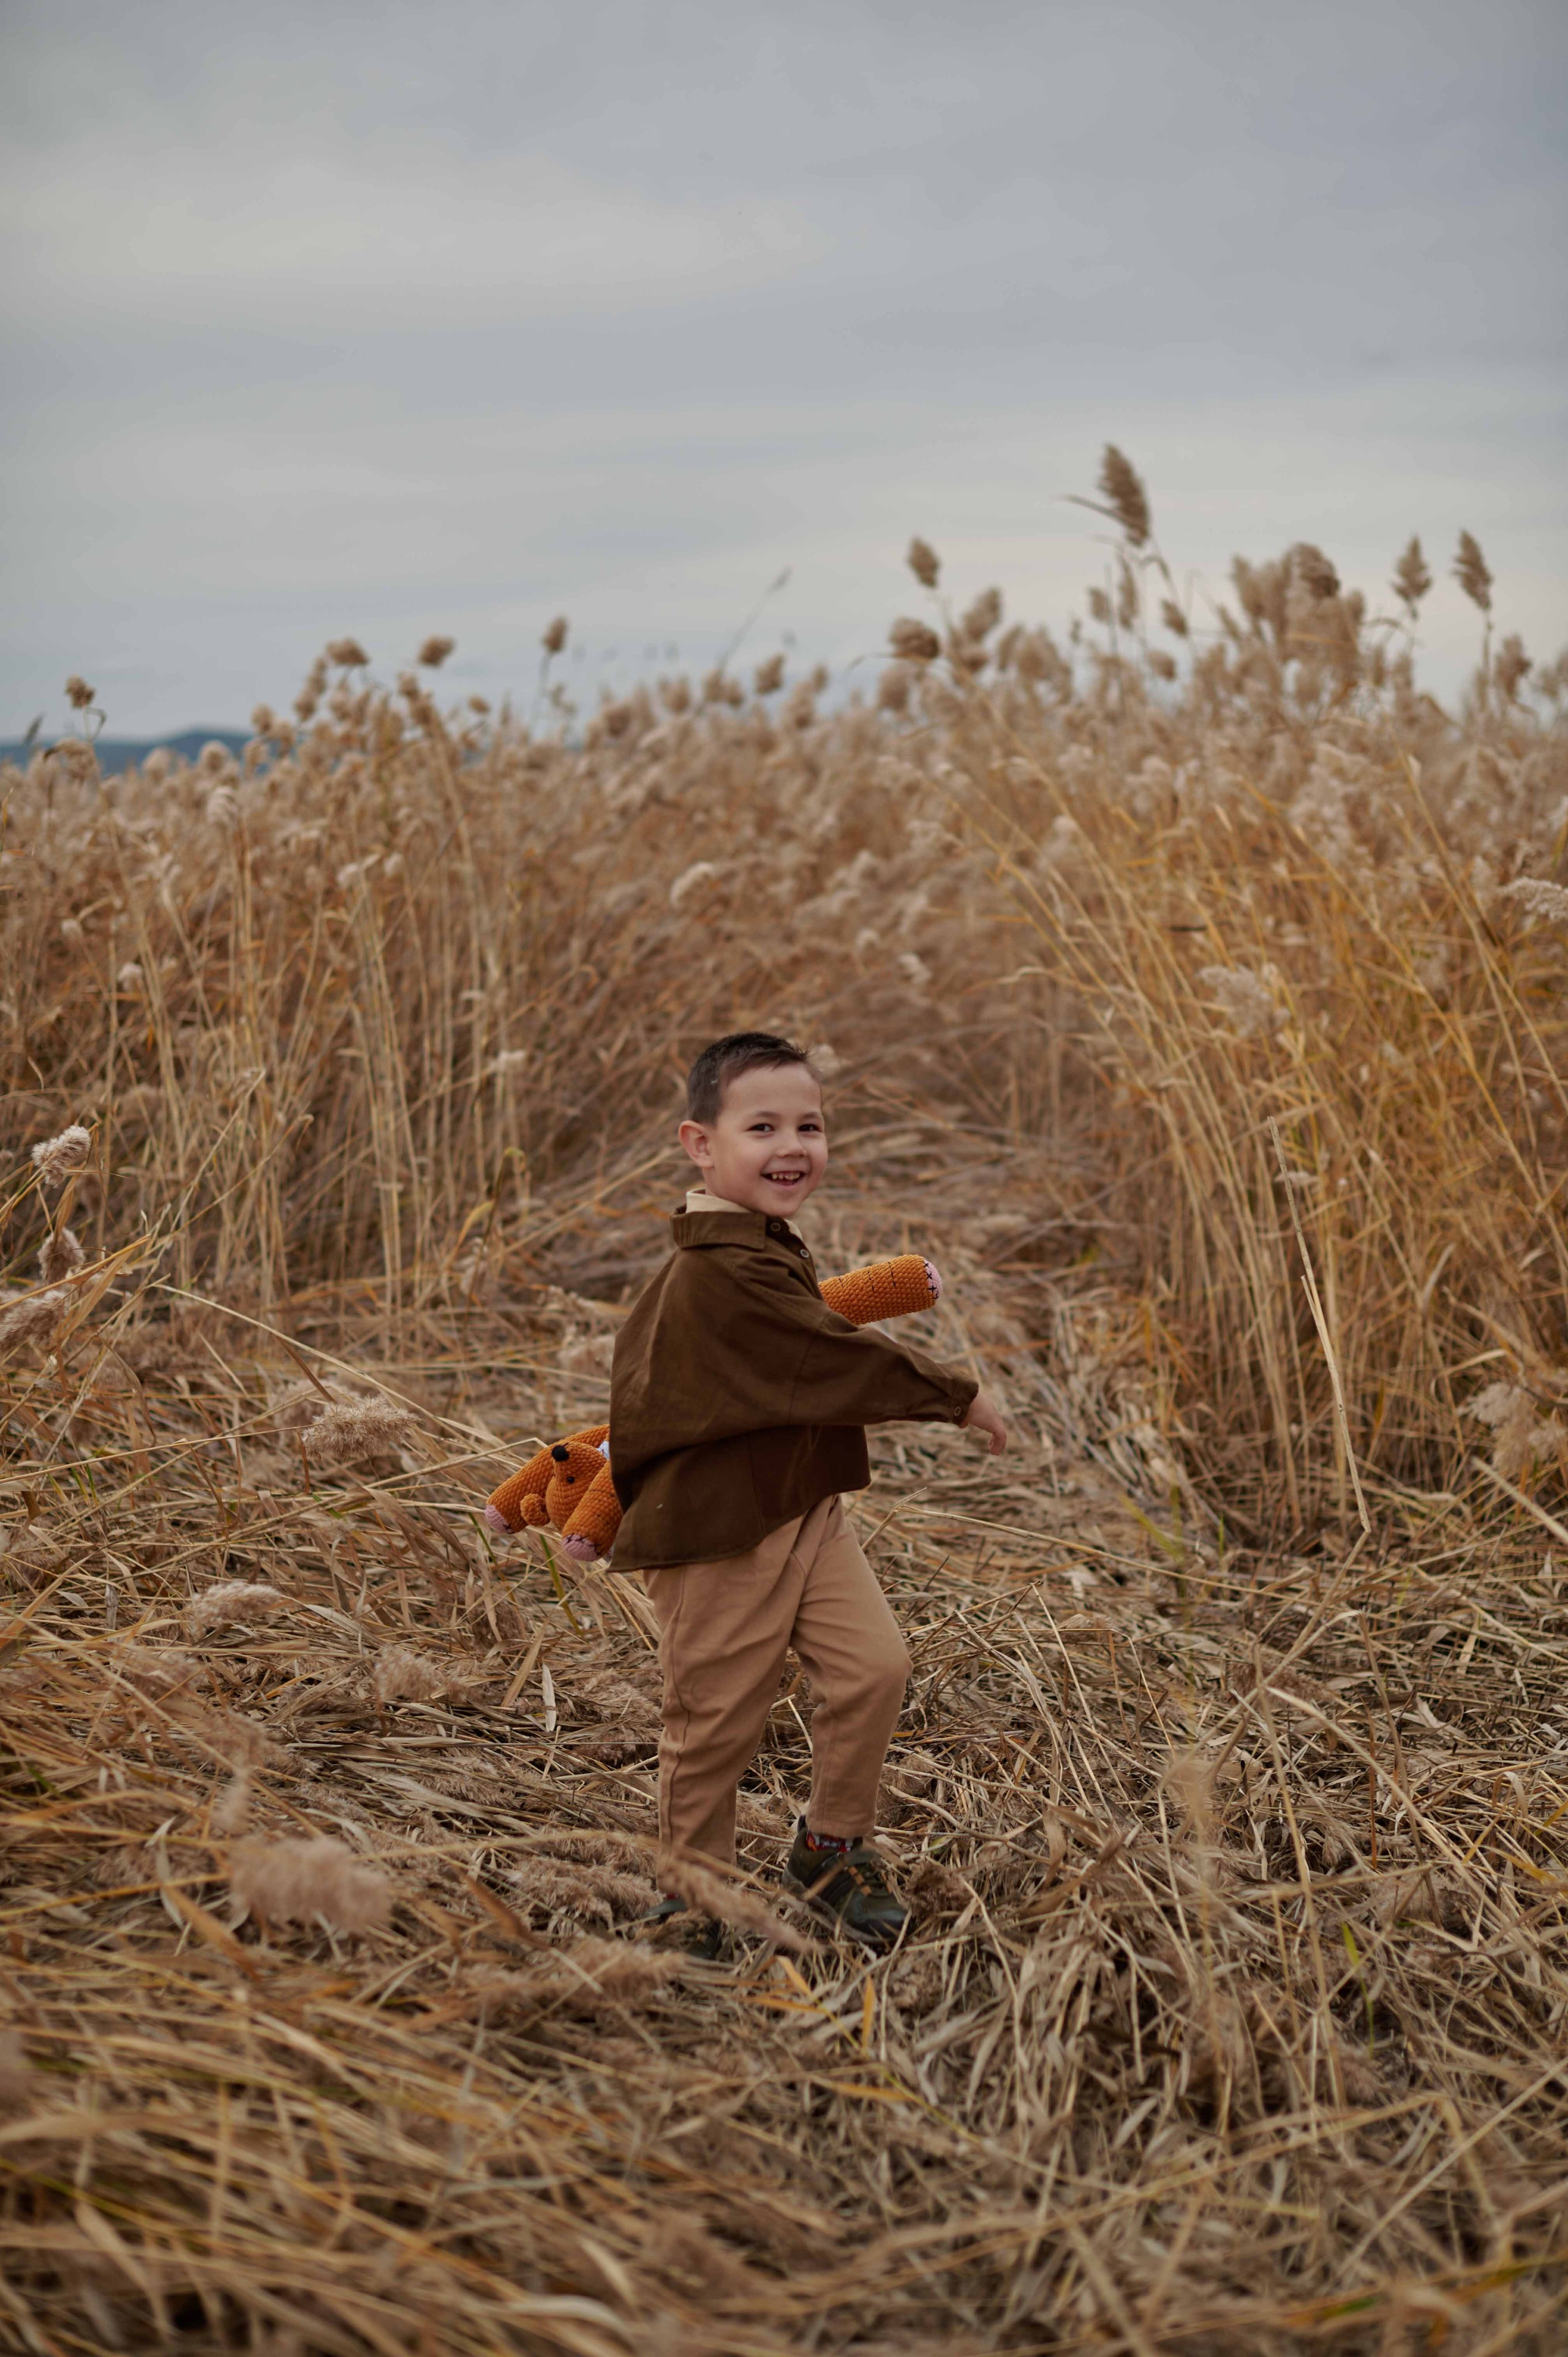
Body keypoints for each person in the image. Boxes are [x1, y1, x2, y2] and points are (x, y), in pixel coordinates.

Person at [608, 1030, 1007, 1951]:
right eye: (763, 1127)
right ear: (700, 1143)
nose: (792, 1147)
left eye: (810, 1126)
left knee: (875, 1668)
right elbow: (826, 1355)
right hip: (720, 1529)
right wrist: (958, 1396)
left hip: (799, 1507)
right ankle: (690, 1894)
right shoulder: (715, 1271)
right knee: (715, 1721)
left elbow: (812, 1327)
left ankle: (830, 1846)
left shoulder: (760, 1245)